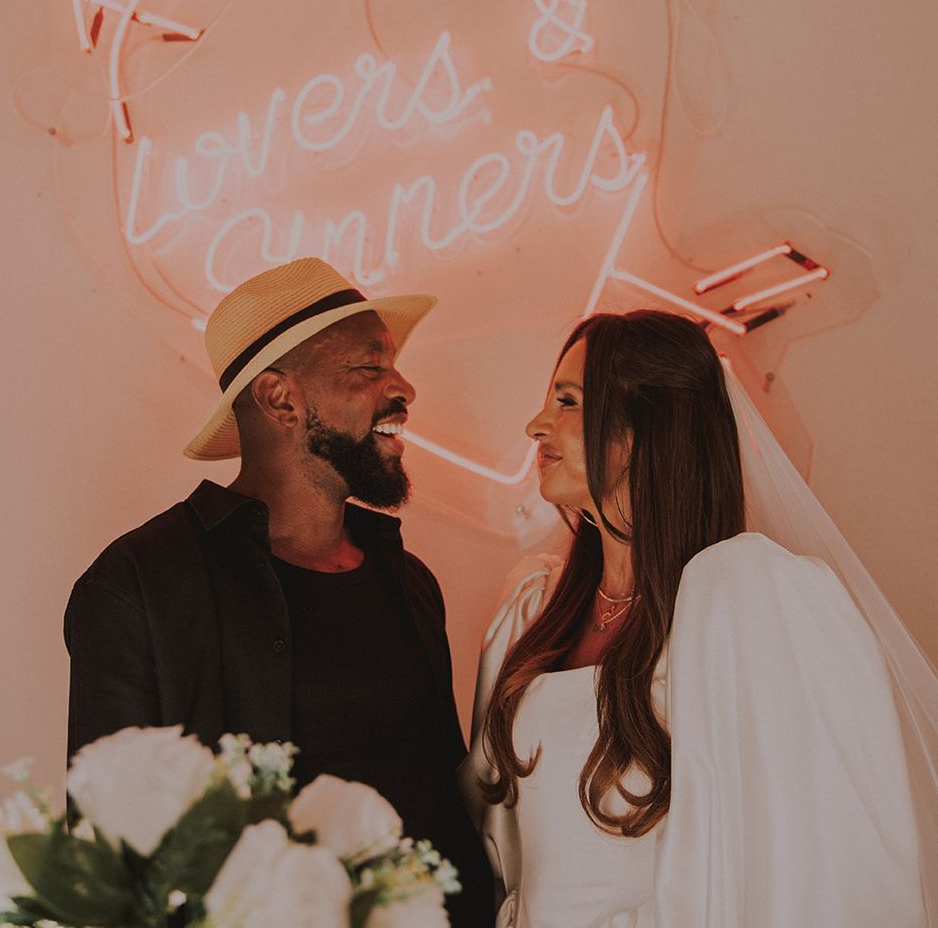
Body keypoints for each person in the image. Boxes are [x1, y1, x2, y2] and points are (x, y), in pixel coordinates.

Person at [460, 309, 938, 927]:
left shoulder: (749, 606)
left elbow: (804, 856)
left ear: (642, 429)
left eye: (568, 402)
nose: (536, 425)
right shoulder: (534, 612)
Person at [65, 256, 494, 926]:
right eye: (369, 366)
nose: (404, 386)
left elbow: (450, 804)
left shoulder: (408, 582)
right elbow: (108, 864)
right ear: (280, 398)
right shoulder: (141, 586)